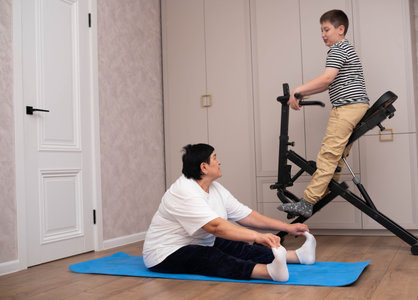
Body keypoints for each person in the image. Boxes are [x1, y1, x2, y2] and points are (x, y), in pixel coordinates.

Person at [143, 143, 316, 282]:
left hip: (199, 241)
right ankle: (268, 272)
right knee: (209, 256)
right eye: (215, 158)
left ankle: (297, 256)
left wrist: (287, 227)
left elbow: (247, 216)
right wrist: (257, 237)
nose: (219, 162)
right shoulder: (183, 191)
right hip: (165, 252)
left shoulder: (215, 188)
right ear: (204, 167)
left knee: (234, 245)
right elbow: (215, 227)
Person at [278, 9, 370, 218]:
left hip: (347, 108)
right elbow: (326, 85)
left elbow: (327, 79)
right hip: (355, 106)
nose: (323, 34)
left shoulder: (338, 49)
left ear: (340, 29)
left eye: (326, 29)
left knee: (328, 155)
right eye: (321, 30)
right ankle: (328, 189)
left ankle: (308, 201)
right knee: (337, 155)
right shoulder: (346, 49)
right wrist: (302, 94)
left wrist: (298, 89)